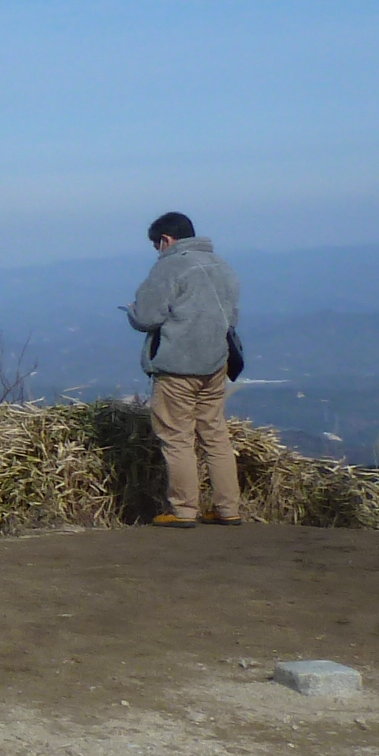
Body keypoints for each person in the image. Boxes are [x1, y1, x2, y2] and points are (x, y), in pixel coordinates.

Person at [123, 212, 243, 527]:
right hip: (216, 363)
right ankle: (228, 508)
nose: (157, 251)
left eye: (156, 245)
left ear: (166, 240)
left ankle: (183, 510)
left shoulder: (170, 267)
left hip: (177, 367)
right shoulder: (222, 266)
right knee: (215, 435)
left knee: (177, 437)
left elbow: (148, 317)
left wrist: (132, 313)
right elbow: (232, 317)